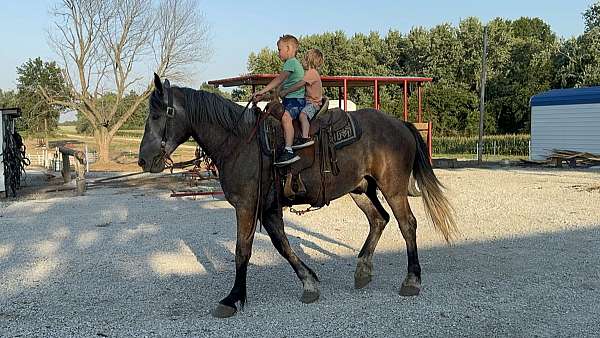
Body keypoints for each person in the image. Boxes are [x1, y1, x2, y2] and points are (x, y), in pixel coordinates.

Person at [252, 35, 308, 166]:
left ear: (288, 48)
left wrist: (262, 90)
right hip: (289, 101)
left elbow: (278, 79)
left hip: (296, 101)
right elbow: (276, 93)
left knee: (285, 117)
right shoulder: (290, 68)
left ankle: (288, 150)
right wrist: (262, 97)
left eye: (279, 49)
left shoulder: (291, 63)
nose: (278, 53)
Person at [279, 48, 324, 146]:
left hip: (313, 103)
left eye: (304, 59)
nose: (302, 61)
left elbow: (300, 84)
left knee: (302, 115)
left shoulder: (312, 73)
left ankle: (305, 137)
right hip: (308, 101)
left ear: (309, 60)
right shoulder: (310, 73)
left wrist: (286, 91)